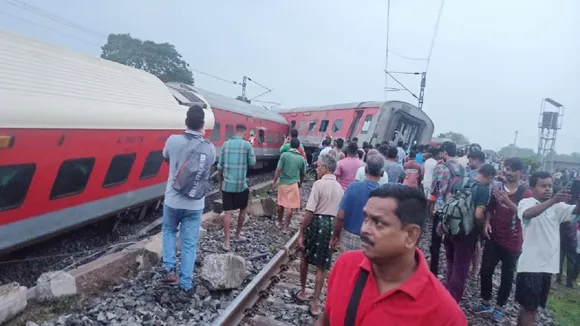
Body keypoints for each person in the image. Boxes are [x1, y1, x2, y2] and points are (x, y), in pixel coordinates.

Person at [317, 185, 466, 326]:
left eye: (378, 222)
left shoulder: (446, 315)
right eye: (366, 218)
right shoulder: (346, 264)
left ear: (410, 235)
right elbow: (327, 320)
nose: (364, 229)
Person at [161, 105, 216, 291]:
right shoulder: (210, 147)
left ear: (186, 122)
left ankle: (170, 270)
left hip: (173, 200)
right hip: (195, 203)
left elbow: (166, 158)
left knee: (169, 231)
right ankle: (185, 284)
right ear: (202, 125)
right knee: (189, 243)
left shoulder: (172, 140)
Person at [515, 172, 580, 326]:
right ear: (533, 188)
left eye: (550, 186)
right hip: (531, 266)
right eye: (543, 186)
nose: (548, 189)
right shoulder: (527, 202)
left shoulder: (557, 207)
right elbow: (528, 214)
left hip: (547, 266)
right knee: (529, 308)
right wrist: (552, 201)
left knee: (531, 307)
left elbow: (576, 210)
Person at [474, 158, 530, 321]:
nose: (509, 172)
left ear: (521, 173)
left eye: (513, 170)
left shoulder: (524, 193)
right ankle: (485, 301)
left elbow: (525, 215)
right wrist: (486, 223)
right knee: (485, 270)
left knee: (507, 275)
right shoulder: (497, 188)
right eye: (507, 169)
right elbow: (490, 208)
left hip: (513, 241)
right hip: (494, 237)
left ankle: (499, 307)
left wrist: (506, 202)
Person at [295, 154, 344, 317]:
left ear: (325, 168)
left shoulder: (319, 184)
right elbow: (340, 216)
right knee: (322, 266)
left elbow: (309, 212)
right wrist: (337, 236)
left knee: (305, 257)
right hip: (331, 225)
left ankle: (302, 292)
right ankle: (315, 303)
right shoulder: (340, 188)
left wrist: (301, 232)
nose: (316, 169)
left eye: (318, 166)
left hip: (317, 223)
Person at [443, 164, 495, 303]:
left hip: (450, 228)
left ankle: (446, 293)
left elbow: (447, 199)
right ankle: (453, 300)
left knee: (450, 262)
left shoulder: (459, 181)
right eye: (491, 179)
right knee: (461, 267)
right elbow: (478, 215)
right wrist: (481, 229)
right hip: (466, 233)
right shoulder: (483, 190)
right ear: (489, 177)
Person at [332, 154, 385, 253]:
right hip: (372, 240)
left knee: (347, 266)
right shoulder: (384, 193)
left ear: (365, 170)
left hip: (349, 236)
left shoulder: (353, 187)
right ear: (382, 173)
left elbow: (340, 216)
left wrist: (335, 236)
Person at [217, 124, 256, 251]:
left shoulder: (225, 145)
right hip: (241, 185)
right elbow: (252, 163)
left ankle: (227, 242)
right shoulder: (247, 145)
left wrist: (220, 182)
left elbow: (220, 167)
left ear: (235, 132)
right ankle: (237, 235)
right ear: (244, 132)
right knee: (243, 210)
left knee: (228, 213)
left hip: (227, 185)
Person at [428, 141, 463, 275]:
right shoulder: (462, 169)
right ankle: (451, 274)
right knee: (451, 243)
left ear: (445, 152)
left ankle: (433, 271)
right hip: (456, 210)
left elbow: (434, 189)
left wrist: (431, 206)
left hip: (442, 209)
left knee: (435, 242)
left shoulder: (441, 167)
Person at [273, 138, 306, 232]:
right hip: (294, 184)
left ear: (290, 145)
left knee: (280, 205)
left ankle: (279, 223)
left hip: (283, 183)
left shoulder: (284, 155)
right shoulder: (301, 158)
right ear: (298, 147)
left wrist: (274, 181)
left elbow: (278, 169)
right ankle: (285, 228)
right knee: (290, 207)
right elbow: (302, 173)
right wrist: (300, 183)